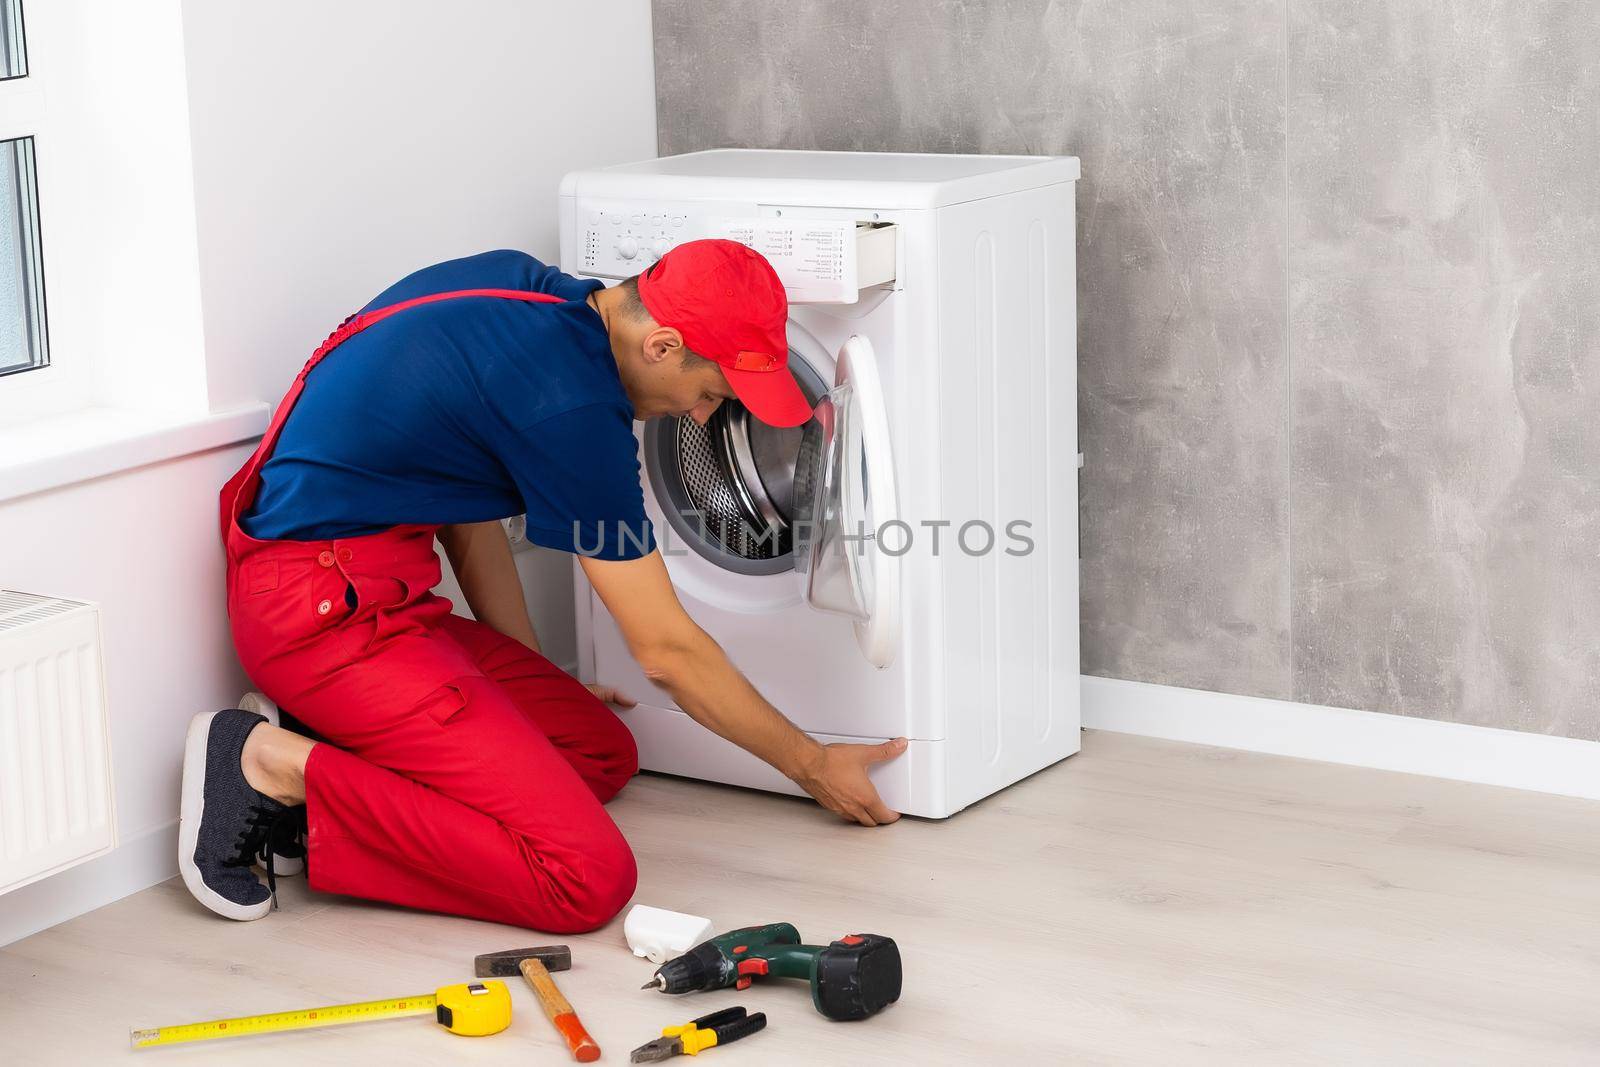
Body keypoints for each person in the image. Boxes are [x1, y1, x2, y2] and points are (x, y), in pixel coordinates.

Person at [178, 240, 907, 933]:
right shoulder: (573, 409)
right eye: (710, 391)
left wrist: (522, 682)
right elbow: (667, 650)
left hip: (374, 594)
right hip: (318, 617)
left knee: (600, 753)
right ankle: (267, 761)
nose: (702, 414)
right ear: (662, 347)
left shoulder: (537, 296)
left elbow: (465, 519)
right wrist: (812, 765)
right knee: (584, 877)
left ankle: (320, 733)